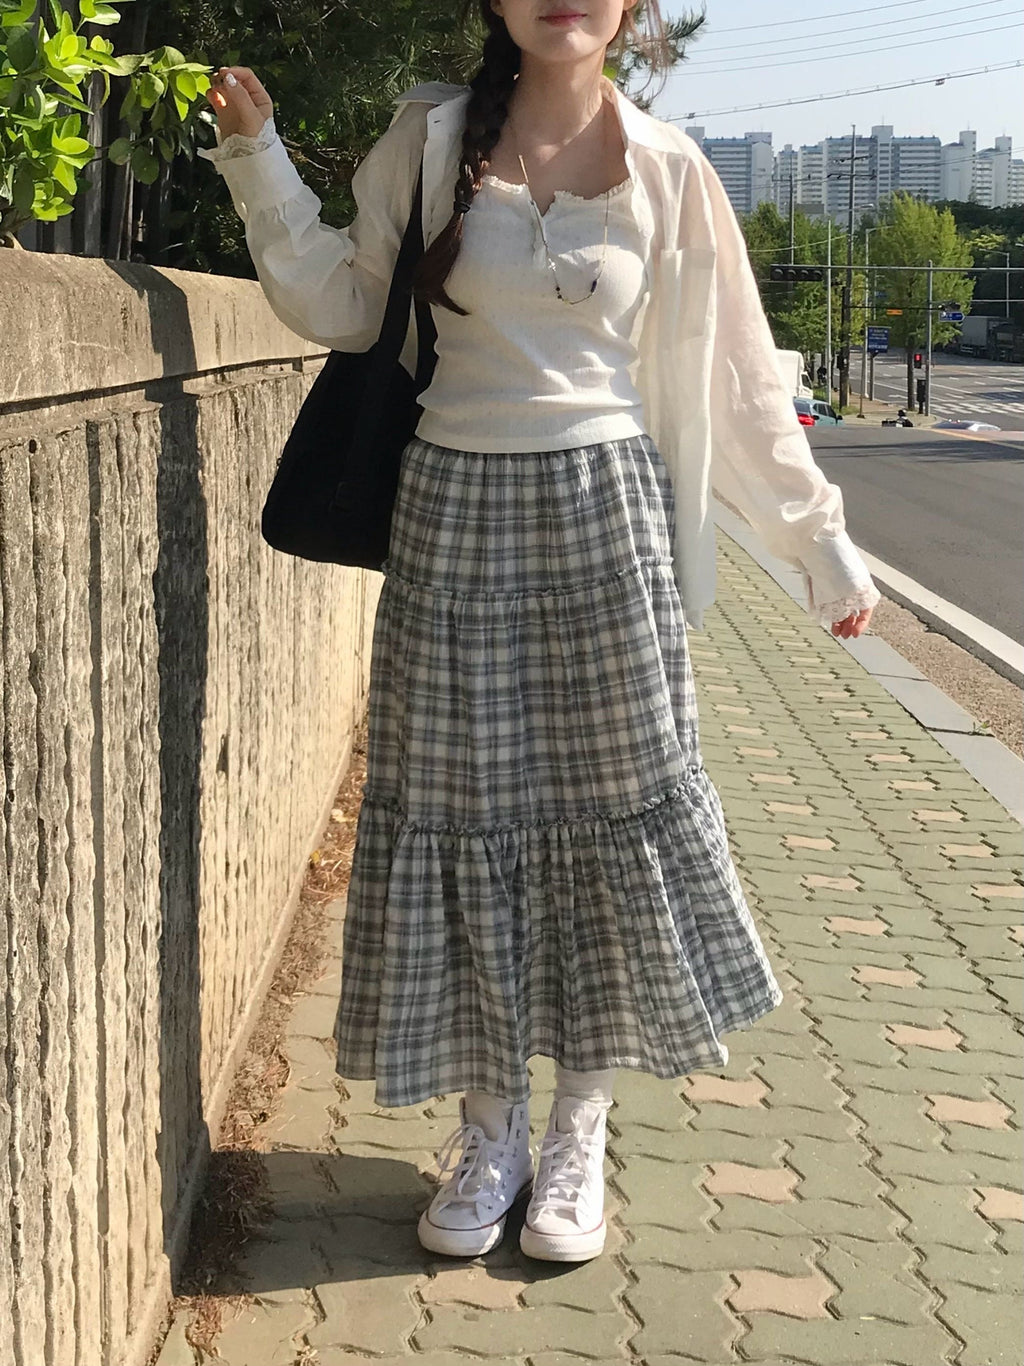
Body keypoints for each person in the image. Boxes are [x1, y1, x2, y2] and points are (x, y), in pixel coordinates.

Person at [202, 0, 880, 1265]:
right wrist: (259, 158)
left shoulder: (668, 168)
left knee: (610, 818)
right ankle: (490, 1127)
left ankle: (578, 1126)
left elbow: (738, 375)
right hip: (451, 509)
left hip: (610, 520)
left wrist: (819, 541)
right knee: (456, 811)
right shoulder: (430, 137)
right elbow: (345, 303)